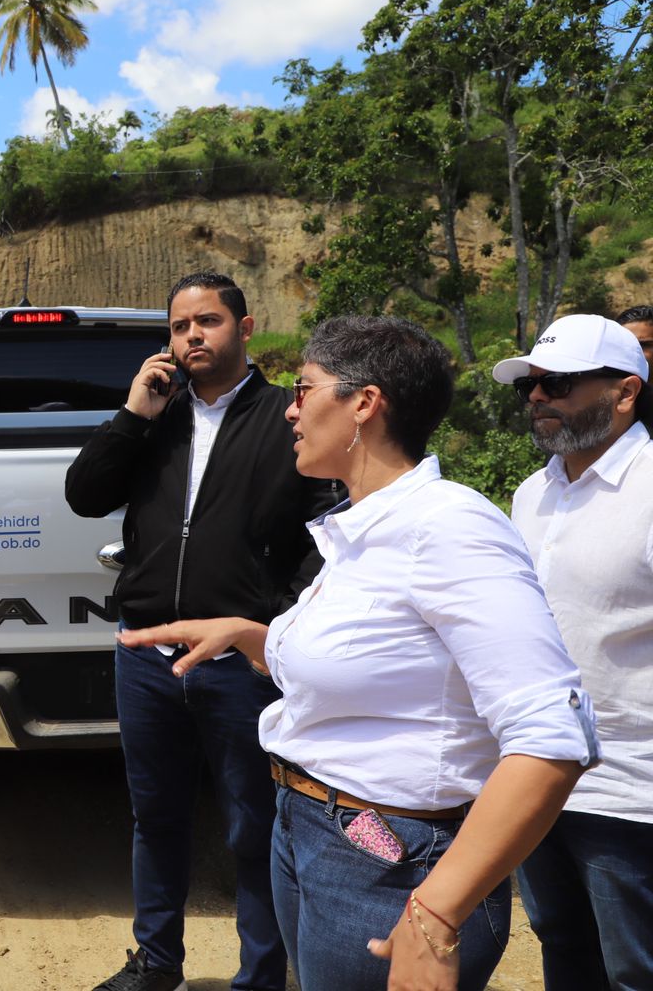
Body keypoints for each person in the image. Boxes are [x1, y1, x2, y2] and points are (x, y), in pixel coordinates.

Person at [123, 315, 598, 991]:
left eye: (303, 389)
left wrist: (436, 911)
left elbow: (552, 736)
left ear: (365, 404)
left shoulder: (447, 529)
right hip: (316, 831)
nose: (289, 408)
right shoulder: (359, 529)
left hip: (389, 862)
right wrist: (251, 635)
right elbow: (375, 670)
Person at [65, 271, 337, 991]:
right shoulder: (156, 418)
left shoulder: (289, 418)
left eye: (208, 321)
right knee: (155, 818)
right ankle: (157, 964)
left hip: (237, 664)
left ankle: (262, 974)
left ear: (245, 328)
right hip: (148, 656)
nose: (192, 336)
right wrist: (133, 413)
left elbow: (326, 535)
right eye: (180, 326)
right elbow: (84, 495)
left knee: (255, 826)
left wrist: (270, 623)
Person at [493, 314, 653, 990]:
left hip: (629, 789)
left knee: (633, 969)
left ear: (623, 394)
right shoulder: (533, 493)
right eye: (532, 385)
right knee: (563, 947)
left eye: (557, 383)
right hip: (535, 776)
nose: (537, 398)